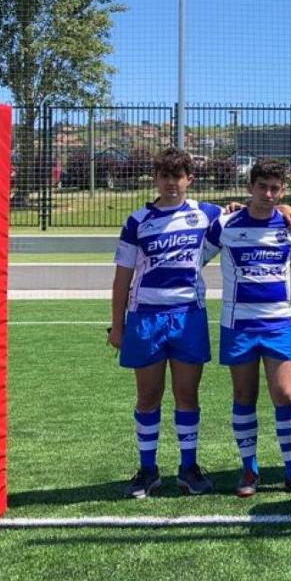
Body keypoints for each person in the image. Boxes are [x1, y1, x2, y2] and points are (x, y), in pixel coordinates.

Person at [109, 148, 220, 499]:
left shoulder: (206, 215)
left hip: (188, 316)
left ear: (190, 179)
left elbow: (251, 212)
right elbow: (122, 278)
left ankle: (188, 468)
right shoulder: (138, 220)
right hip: (145, 318)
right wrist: (117, 325)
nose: (171, 183)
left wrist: (284, 209)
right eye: (165, 176)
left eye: (178, 176)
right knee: (149, 396)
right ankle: (147, 469)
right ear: (156, 179)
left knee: (187, 394)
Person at [202, 158, 291, 498]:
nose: (268, 194)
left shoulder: (290, 224)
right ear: (251, 186)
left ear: (282, 191)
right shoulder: (226, 224)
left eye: (275, 189)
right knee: (244, 396)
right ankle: (249, 470)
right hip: (238, 324)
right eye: (262, 187)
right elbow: (196, 259)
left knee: (285, 396)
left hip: (279, 321)